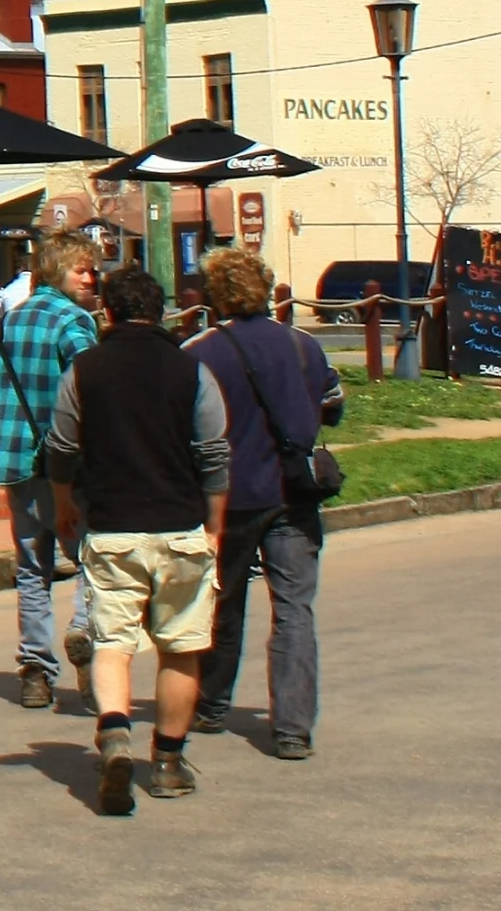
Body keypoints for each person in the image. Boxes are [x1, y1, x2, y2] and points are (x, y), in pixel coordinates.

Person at [47, 264, 232, 815]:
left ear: (106, 311)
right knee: (181, 647)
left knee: (113, 644)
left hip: (110, 529)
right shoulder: (191, 371)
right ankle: (169, 763)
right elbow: (214, 454)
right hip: (179, 524)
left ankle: (115, 732)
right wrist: (216, 523)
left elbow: (60, 446)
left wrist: (62, 502)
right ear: (162, 312)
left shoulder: (85, 370)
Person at [186, 248, 339, 760]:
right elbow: (332, 406)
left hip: (228, 498)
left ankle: (210, 702)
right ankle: (293, 726)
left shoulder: (200, 352)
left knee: (222, 601)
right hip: (293, 492)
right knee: (294, 609)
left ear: (214, 296)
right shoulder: (302, 345)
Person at [0, 232, 103, 711]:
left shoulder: (7, 323)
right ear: (58, 272)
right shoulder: (75, 322)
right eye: (82, 269)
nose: (91, 277)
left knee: (33, 569)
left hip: (15, 460)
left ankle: (35, 670)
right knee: (90, 561)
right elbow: (92, 391)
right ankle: (86, 640)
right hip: (67, 465)